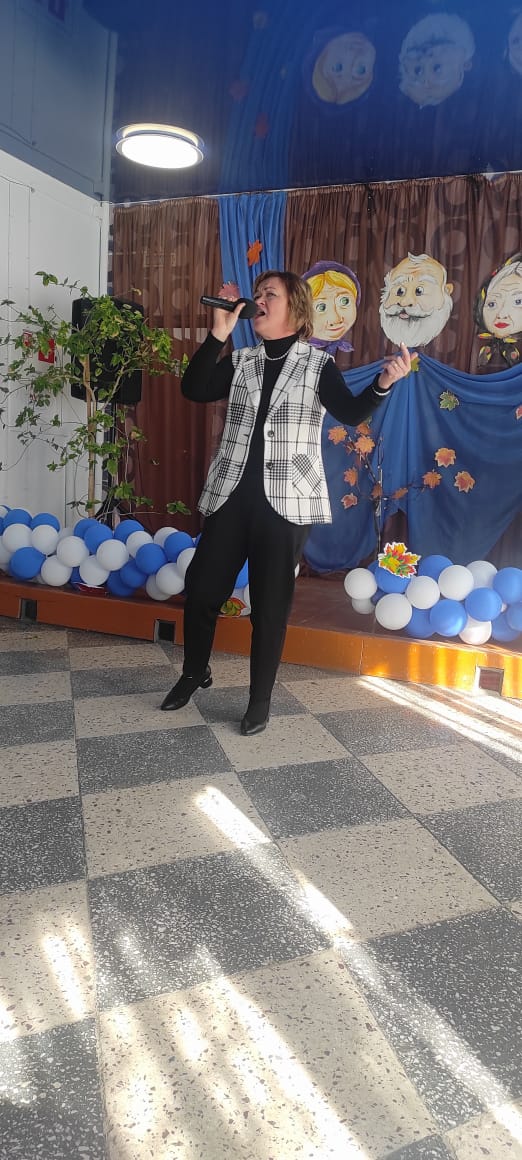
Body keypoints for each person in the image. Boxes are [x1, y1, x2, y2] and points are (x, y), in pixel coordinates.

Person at [160, 270, 413, 735]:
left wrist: (384, 383)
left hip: (287, 503)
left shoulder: (318, 366)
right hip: (230, 495)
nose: (258, 299)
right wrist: (218, 334)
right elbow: (194, 389)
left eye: (269, 294)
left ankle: (259, 699)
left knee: (270, 607)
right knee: (202, 591)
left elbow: (352, 412)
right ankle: (194, 673)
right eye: (256, 294)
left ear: (295, 309)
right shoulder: (241, 361)